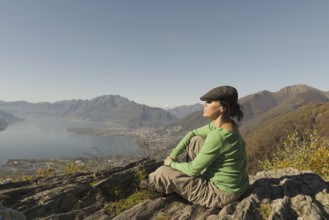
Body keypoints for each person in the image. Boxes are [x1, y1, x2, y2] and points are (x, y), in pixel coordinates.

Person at [148, 85, 249, 208]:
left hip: (221, 194)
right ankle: (188, 181)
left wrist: (170, 163)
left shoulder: (219, 136)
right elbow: (192, 134)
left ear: (223, 108)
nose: (204, 105)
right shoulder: (227, 125)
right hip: (237, 186)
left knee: (161, 173)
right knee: (196, 140)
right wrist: (173, 154)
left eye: (209, 102)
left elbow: (192, 169)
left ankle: (154, 187)